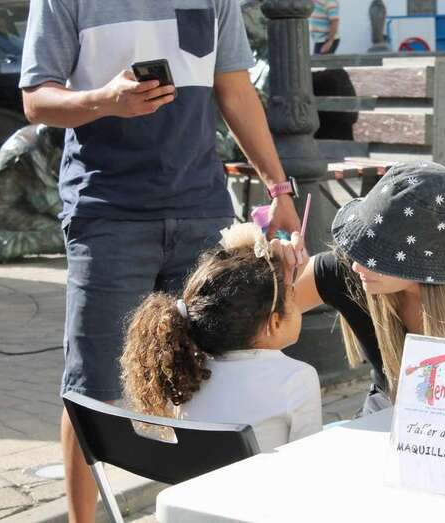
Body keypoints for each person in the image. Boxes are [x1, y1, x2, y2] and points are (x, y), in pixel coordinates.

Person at [19, 1, 301, 521]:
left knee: (215, 373)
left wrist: (278, 188)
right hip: (106, 214)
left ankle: (206, 512)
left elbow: (236, 90)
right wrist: (106, 100)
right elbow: (37, 100)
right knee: (93, 389)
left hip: (202, 210)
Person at [274, 161, 445, 410]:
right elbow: (265, 323)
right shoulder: (343, 269)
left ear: (423, 262)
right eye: (361, 246)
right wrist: (280, 274)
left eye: (378, 256)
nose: (357, 266)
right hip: (384, 411)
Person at [121, 223, 322, 452]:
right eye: (293, 296)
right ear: (274, 323)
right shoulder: (297, 378)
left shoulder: (187, 375)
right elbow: (307, 461)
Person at [0, 124, 65, 265]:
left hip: (19, 204)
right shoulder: (29, 152)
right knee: (66, 235)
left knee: (72, 230)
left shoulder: (38, 136)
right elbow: (50, 202)